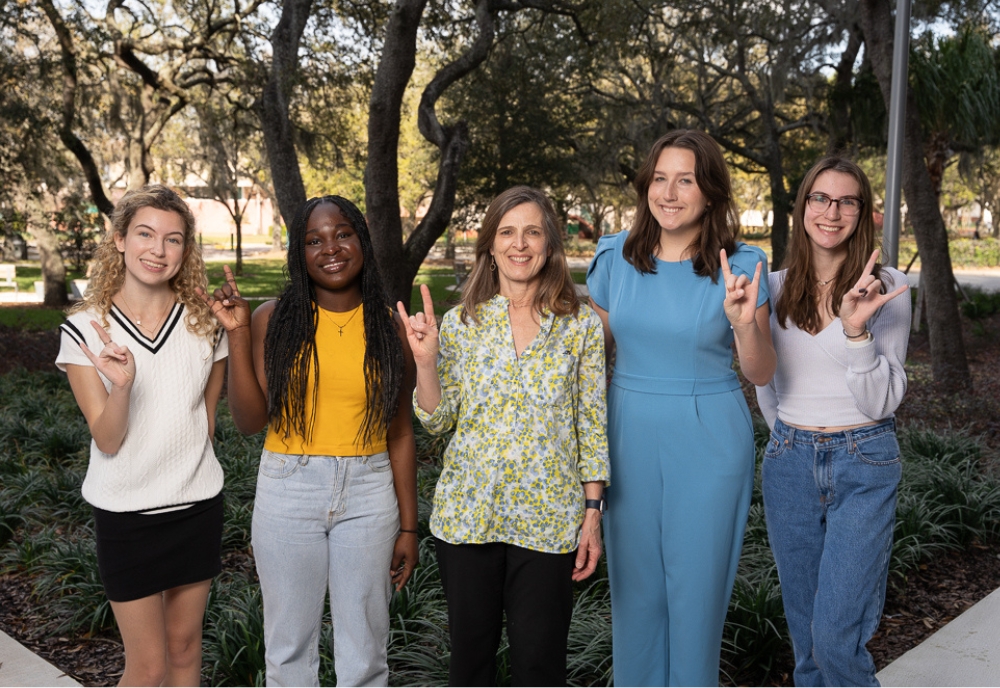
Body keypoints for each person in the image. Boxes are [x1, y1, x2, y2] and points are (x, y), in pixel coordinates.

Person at [202, 195, 418, 687]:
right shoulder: (271, 319)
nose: (331, 248)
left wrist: (409, 527)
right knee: (288, 650)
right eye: (313, 240)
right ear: (298, 254)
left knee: (365, 654)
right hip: (289, 486)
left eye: (342, 234)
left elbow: (400, 430)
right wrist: (236, 336)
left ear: (361, 239)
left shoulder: (389, 327)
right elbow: (251, 421)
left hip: (369, 490)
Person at [586, 129, 776, 686]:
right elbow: (588, 360)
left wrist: (744, 325)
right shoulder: (614, 257)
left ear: (710, 193)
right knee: (637, 597)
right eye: (660, 178)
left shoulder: (742, 264)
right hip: (627, 432)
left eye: (686, 180)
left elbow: (761, 372)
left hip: (709, 434)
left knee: (695, 597)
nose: (669, 193)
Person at [399, 186, 609, 687]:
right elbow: (435, 419)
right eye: (507, 232)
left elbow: (592, 425)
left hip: (548, 520)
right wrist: (425, 363)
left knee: (540, 666)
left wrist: (592, 513)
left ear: (550, 244)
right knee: (470, 664)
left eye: (532, 232)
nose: (520, 244)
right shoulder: (462, 324)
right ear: (489, 245)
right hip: (470, 518)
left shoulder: (579, 327)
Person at [55, 185, 228, 687]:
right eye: (145, 235)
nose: (158, 250)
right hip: (127, 517)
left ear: (184, 250)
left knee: (185, 650)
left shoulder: (204, 323)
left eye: (173, 240)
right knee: (148, 667)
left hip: (196, 509)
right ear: (119, 240)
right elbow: (107, 440)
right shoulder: (85, 329)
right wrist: (124, 387)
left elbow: (206, 423)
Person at [755, 157, 910, 686]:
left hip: (864, 459)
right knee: (807, 644)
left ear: (863, 213)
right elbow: (766, 386)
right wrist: (792, 436)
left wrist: (856, 333)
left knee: (836, 641)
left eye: (847, 201)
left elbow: (882, 401)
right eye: (820, 198)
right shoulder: (772, 288)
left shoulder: (888, 287)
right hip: (789, 462)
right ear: (802, 209)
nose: (832, 211)